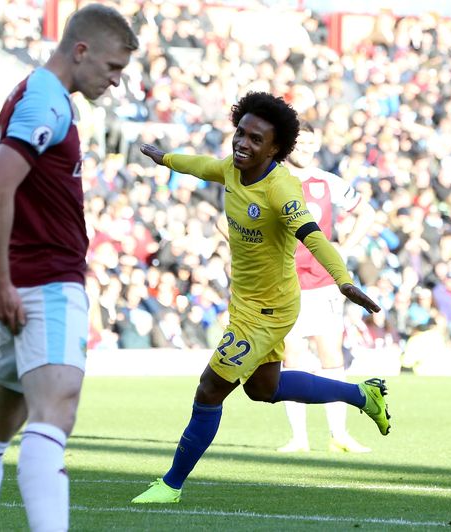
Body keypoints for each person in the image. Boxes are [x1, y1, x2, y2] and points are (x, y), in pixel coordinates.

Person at [132, 92, 389, 505]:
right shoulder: (233, 171)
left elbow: (313, 235)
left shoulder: (282, 190)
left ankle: (170, 485)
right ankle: (363, 395)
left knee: (209, 389)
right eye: (240, 133)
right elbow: (200, 167)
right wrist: (165, 159)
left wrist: (342, 280)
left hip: (269, 311)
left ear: (275, 150)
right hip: (248, 303)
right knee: (263, 389)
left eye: (255, 139)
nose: (242, 144)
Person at [0, 5, 138, 532]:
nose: (115, 81)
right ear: (80, 51)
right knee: (56, 413)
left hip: (28, 280)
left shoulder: (28, 92)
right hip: (46, 282)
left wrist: (6, 270)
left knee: (0, 422)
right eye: (111, 68)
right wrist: (1, 279)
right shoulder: (45, 101)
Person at [277, 122, 377, 455]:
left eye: (310, 143)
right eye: (300, 143)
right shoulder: (271, 179)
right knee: (293, 357)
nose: (305, 148)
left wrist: (345, 248)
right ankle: (298, 438)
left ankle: (339, 434)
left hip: (322, 283)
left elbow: (367, 212)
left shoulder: (327, 182)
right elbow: (229, 220)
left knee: (330, 355)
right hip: (284, 282)